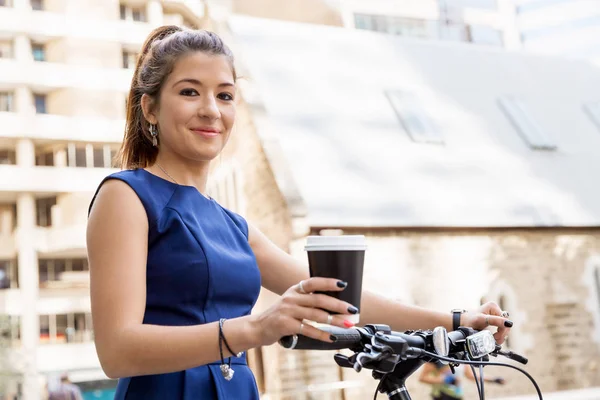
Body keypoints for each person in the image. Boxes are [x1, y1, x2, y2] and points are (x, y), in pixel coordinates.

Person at [86, 25, 514, 399]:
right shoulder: (126, 197)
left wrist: (456, 318)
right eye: (189, 92)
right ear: (150, 108)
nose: (211, 110)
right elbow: (117, 350)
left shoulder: (234, 226)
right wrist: (257, 328)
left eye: (225, 95)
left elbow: (343, 297)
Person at [419, 361, 506, 400]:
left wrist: (493, 379)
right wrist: (445, 380)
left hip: (457, 395)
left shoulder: (461, 357)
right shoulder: (436, 358)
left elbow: (471, 375)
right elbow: (422, 378)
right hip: (441, 395)